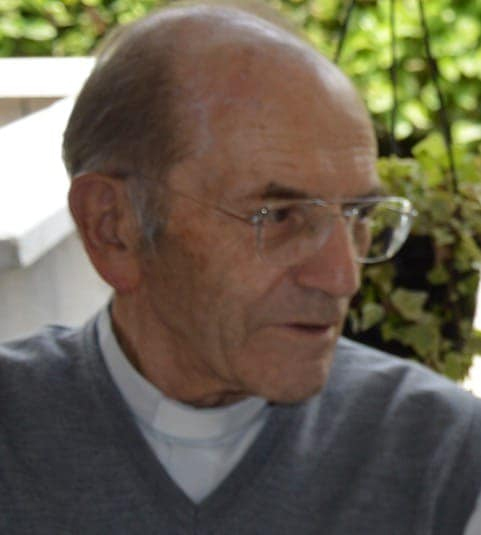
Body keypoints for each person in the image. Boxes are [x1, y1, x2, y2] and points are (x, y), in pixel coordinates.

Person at [1, 2, 481, 534]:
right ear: (112, 228)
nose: (342, 278)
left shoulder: (442, 458)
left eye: (358, 215)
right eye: (279, 216)